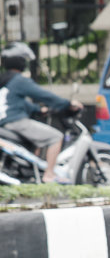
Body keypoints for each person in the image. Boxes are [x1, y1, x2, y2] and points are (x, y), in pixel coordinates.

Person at [0, 42, 83, 183]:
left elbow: (16, 102)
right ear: (20, 61)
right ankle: (49, 174)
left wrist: (39, 110)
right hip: (15, 122)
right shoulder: (19, 80)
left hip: (5, 123)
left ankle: (32, 173)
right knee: (55, 137)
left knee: (37, 141)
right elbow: (44, 95)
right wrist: (68, 104)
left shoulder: (4, 80)